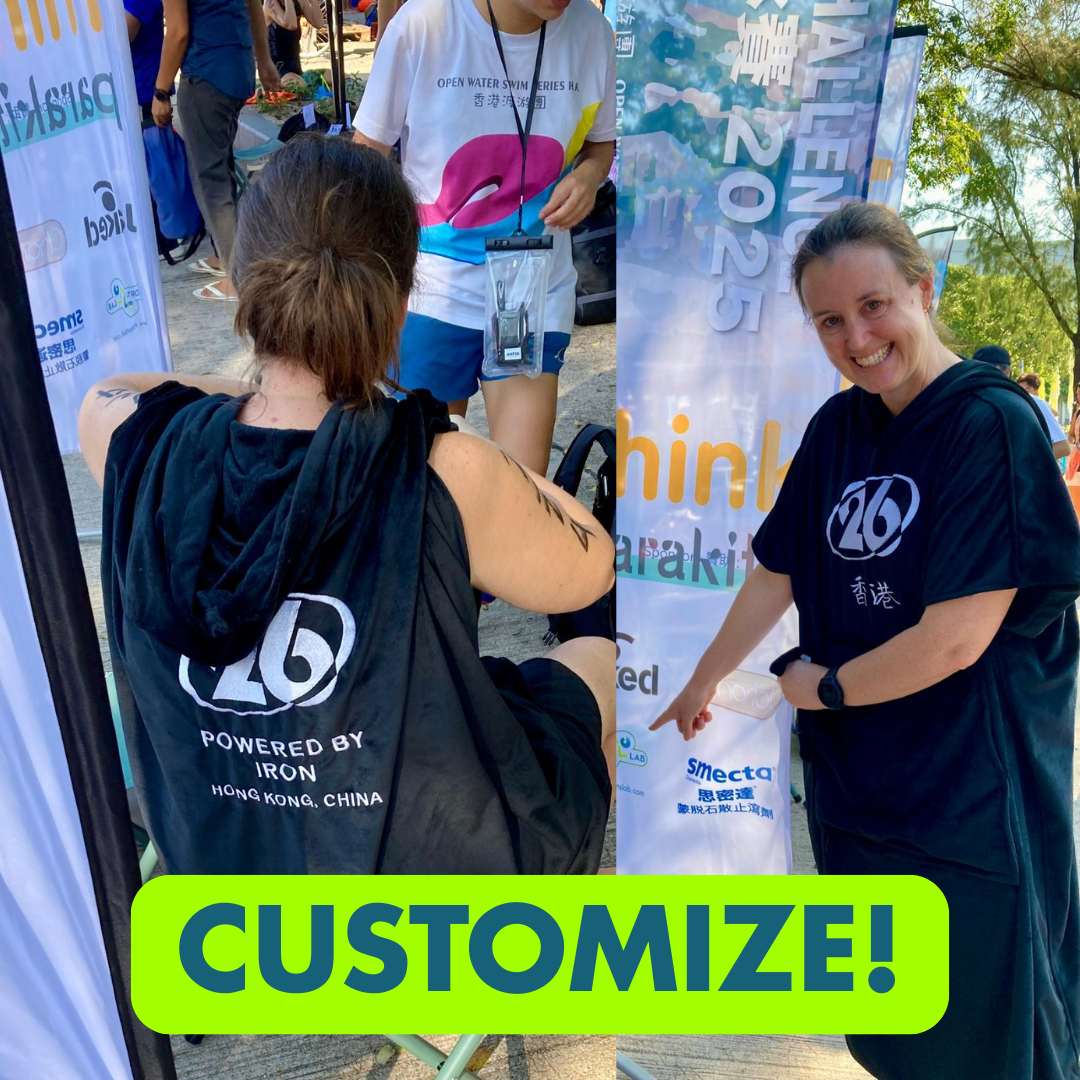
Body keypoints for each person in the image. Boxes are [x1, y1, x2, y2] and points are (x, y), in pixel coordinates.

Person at [78, 135, 615, 875]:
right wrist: (435, 426)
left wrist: (269, 392)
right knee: (596, 659)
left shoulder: (131, 439)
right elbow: (591, 566)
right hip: (424, 865)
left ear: (240, 283)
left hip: (218, 846)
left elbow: (122, 389)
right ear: (400, 304)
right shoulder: (444, 465)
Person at [651, 203, 1080, 1079]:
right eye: (830, 321)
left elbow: (955, 639)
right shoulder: (838, 428)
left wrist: (825, 687)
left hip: (972, 794)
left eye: (874, 305)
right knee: (897, 1023)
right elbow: (778, 568)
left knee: (991, 1025)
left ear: (924, 290)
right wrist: (704, 677)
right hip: (863, 792)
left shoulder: (989, 425)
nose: (857, 338)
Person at [352, 0, 616, 476]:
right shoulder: (424, 23)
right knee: (421, 481)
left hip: (532, 291)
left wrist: (590, 176)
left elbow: (600, 144)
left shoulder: (592, 32)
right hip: (432, 290)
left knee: (520, 487)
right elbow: (365, 160)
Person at [150, 0, 283, 301]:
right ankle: (228, 259)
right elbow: (254, 8)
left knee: (211, 184)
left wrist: (161, 90)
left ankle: (238, 279)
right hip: (238, 69)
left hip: (206, 74)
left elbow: (178, 32)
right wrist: (263, 60)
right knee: (223, 171)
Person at [1017, 370, 1071, 459]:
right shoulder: (1023, 404)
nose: (1023, 394)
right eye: (1019, 390)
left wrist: (1029, 463)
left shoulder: (1037, 402)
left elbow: (1063, 447)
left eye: (1027, 390)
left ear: (1036, 392)